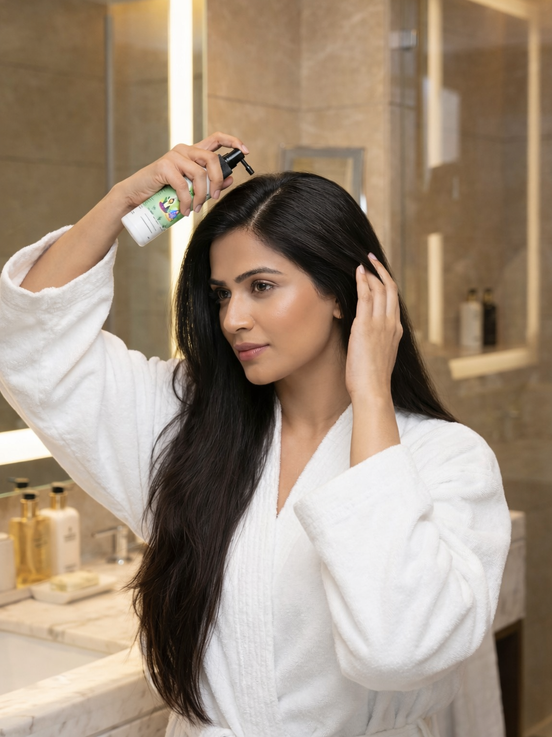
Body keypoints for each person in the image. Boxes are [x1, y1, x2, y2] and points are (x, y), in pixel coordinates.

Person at [0, 132, 511, 737]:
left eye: (262, 286)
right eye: (222, 294)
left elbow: (395, 647)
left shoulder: (446, 460)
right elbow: (31, 346)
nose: (233, 318)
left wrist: (371, 395)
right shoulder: (189, 426)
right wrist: (120, 201)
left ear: (346, 293)